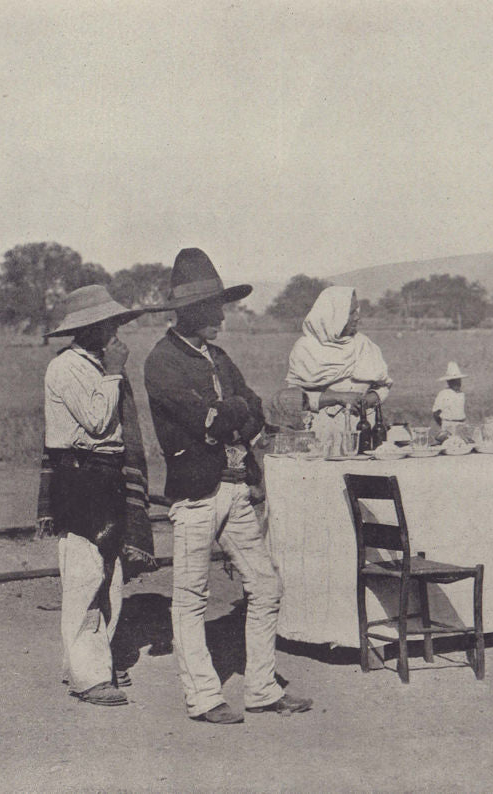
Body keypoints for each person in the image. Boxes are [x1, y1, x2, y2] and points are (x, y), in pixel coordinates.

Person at [144, 248, 312, 724]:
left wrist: (230, 413)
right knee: (190, 596)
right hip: (196, 494)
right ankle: (202, 697)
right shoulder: (161, 362)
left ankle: (261, 688)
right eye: (213, 309)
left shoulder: (218, 357)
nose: (221, 317)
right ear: (189, 312)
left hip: (236, 488)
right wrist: (232, 413)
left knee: (266, 586)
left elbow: (252, 408)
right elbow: (211, 419)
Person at [36, 285, 157, 707]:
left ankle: (96, 659)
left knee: (111, 574)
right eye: (108, 324)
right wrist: (114, 372)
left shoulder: (97, 365)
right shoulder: (67, 367)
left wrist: (111, 372)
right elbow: (96, 421)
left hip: (105, 474)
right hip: (80, 474)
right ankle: (88, 677)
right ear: (89, 329)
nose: (114, 332)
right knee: (85, 573)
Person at [284, 286, 392, 440]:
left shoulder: (364, 345)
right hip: (321, 432)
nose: (357, 317)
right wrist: (337, 397)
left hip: (365, 427)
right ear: (334, 314)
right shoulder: (305, 348)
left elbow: (383, 387)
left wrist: (368, 400)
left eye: (357, 311)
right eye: (351, 312)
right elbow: (293, 400)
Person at [432, 361, 468, 434]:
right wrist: (444, 425)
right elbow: (436, 413)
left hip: (461, 425)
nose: (458, 383)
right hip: (448, 425)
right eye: (454, 381)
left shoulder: (461, 394)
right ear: (449, 382)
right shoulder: (443, 393)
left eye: (459, 380)